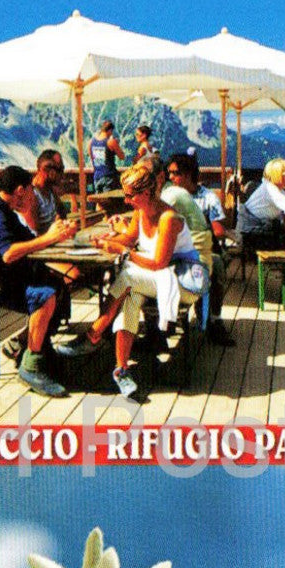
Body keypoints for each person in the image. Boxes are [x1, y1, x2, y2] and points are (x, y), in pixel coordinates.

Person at [70, 162, 206, 400]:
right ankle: (121, 370)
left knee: (129, 276)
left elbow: (158, 263)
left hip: (183, 281)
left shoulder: (168, 218)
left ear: (145, 193)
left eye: (130, 195)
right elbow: (130, 237)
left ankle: (96, 331)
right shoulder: (140, 211)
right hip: (157, 279)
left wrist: (121, 251)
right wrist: (107, 239)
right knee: (130, 297)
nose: (126, 200)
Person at [0, 165, 80, 397]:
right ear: (21, 190)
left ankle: (37, 348)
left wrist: (55, 234)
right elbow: (9, 253)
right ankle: (30, 365)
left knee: (57, 284)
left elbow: (30, 241)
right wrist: (49, 238)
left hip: (1, 278)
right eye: (30, 190)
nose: (33, 194)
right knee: (46, 293)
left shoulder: (0, 208)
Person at [166, 152, 233, 345]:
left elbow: (218, 231)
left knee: (217, 264)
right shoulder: (169, 195)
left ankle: (214, 319)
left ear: (187, 175)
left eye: (175, 173)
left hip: (202, 248)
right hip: (174, 248)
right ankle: (162, 321)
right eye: (169, 173)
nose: (170, 177)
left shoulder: (208, 198)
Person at [235, 158, 285, 253]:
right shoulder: (270, 190)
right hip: (250, 234)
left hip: (256, 231)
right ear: (278, 174)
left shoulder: (275, 189)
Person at [29, 150, 68, 233]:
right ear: (46, 170)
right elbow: (33, 236)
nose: (62, 175)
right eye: (60, 169)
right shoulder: (32, 196)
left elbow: (62, 215)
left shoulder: (51, 191)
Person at [90, 120, 123, 192]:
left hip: (97, 176)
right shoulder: (110, 141)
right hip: (109, 177)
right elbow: (122, 156)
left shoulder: (92, 141)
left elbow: (92, 158)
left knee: (99, 201)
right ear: (110, 130)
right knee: (110, 202)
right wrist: (116, 144)